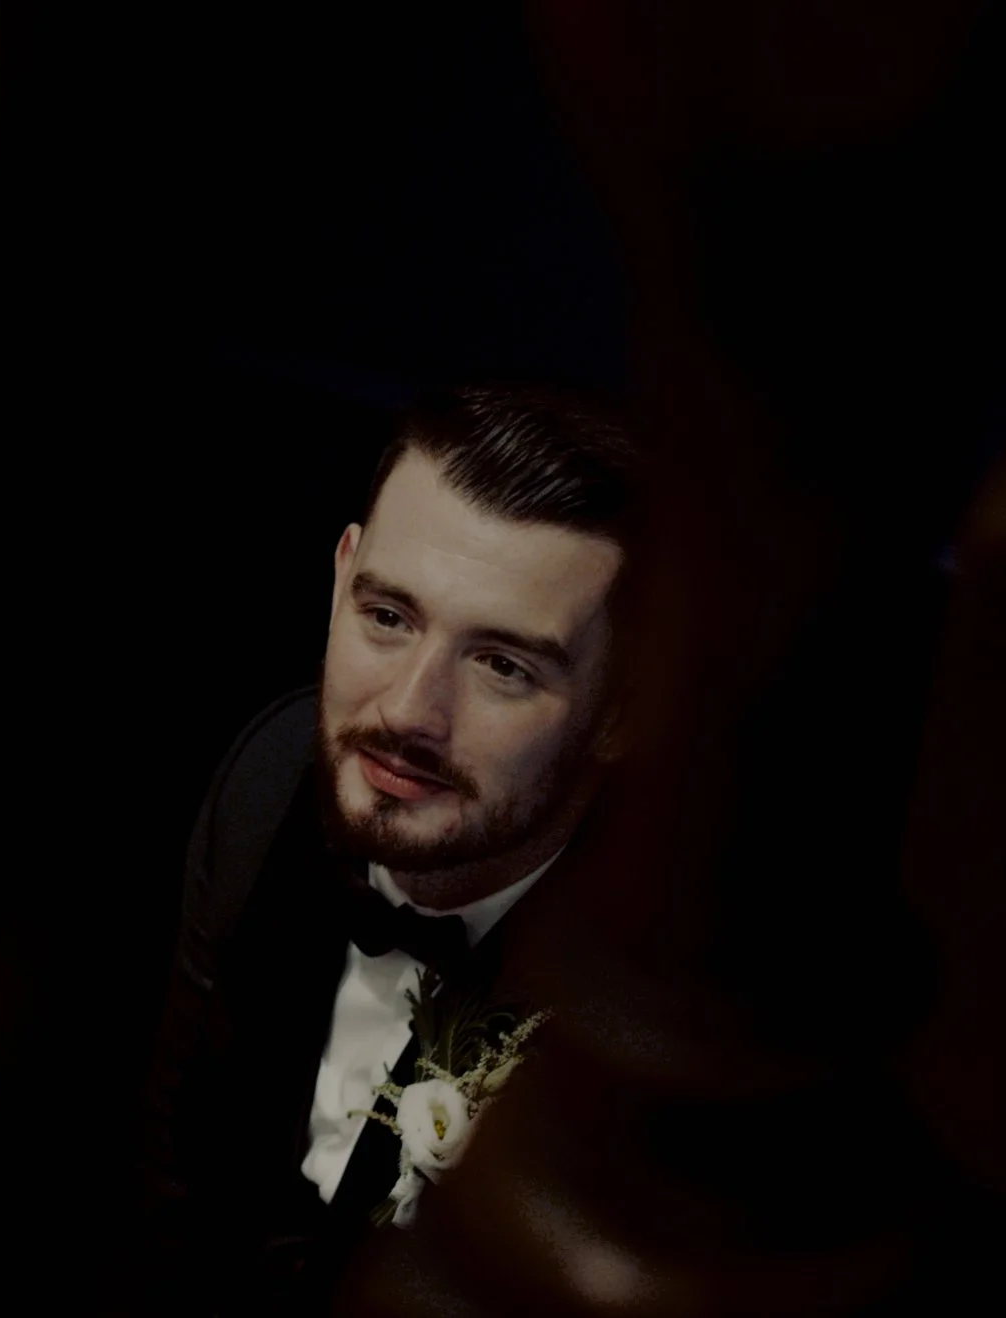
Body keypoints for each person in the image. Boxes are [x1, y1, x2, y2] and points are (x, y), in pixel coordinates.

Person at [137, 384, 641, 1315]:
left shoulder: (648, 999)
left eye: (504, 665)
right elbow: (177, 1183)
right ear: (341, 576)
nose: (409, 712)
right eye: (389, 617)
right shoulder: (267, 784)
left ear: (627, 706)